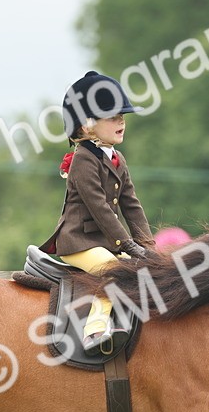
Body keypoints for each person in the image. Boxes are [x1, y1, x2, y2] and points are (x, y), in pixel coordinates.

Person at [40, 71, 156, 353]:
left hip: (103, 243)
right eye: (113, 117)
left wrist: (149, 246)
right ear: (88, 125)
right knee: (116, 271)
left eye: (122, 116)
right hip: (78, 241)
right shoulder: (83, 159)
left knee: (147, 270)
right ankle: (94, 330)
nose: (121, 122)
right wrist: (128, 245)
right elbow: (100, 208)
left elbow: (131, 204)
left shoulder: (116, 158)